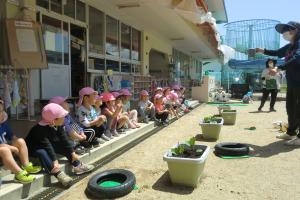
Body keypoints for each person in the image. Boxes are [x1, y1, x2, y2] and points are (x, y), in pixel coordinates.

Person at [25, 103, 94, 187]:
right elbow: (47, 146)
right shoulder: (39, 129)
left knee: (64, 146)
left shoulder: (59, 124)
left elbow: (64, 139)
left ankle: (78, 166)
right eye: (62, 116)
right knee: (42, 152)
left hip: (47, 144)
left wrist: (72, 153)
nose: (64, 118)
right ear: (54, 120)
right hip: (34, 148)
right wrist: (55, 161)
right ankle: (58, 174)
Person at [256, 21, 300, 145]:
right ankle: (291, 132)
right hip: (292, 83)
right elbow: (276, 52)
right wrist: (262, 50)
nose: (284, 33)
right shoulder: (290, 46)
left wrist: (279, 68)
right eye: (283, 30)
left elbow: (296, 58)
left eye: (287, 29)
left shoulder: (299, 44)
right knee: (290, 108)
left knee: (298, 109)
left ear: (296, 30)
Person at [0, 99, 41, 183]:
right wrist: (13, 148)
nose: (1, 114)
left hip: (6, 148)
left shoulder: (3, 124)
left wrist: (16, 142)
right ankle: (19, 173)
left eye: (1, 111)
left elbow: (12, 137)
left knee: (20, 141)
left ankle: (26, 165)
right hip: (3, 150)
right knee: (5, 150)